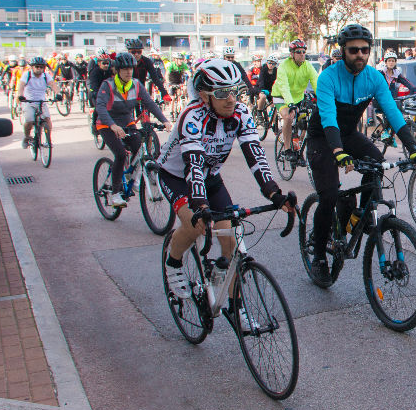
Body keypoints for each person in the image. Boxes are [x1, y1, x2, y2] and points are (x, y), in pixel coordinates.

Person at [156, 59, 292, 319]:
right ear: (205, 96)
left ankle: (235, 307)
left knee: (229, 234)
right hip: (177, 176)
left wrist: (274, 192)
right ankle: (173, 263)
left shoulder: (240, 113)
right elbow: (192, 165)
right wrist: (200, 206)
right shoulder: (191, 116)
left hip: (209, 176)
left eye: (235, 91)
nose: (231, 99)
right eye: (221, 93)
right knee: (196, 224)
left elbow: (255, 156)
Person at [305, 24, 416, 278]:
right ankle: (317, 254)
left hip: (348, 134)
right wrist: (338, 151)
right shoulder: (328, 77)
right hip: (323, 137)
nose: (359, 54)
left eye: (364, 50)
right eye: (353, 50)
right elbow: (328, 119)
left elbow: (392, 112)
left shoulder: (374, 77)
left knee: (377, 163)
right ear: (343, 51)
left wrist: (413, 148)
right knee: (328, 195)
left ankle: (359, 214)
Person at [95, 53, 172, 207]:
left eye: (130, 68)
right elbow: (100, 107)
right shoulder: (108, 85)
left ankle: (133, 177)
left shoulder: (136, 84)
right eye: (124, 69)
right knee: (120, 154)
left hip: (127, 122)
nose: (128, 72)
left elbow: (149, 103)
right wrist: (112, 125)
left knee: (140, 148)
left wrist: (164, 120)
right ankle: (115, 194)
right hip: (106, 124)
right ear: (117, 70)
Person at [273, 40, 318, 156]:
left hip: (298, 98)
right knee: (288, 117)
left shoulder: (308, 66)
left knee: (305, 119)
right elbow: (284, 87)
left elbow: (316, 83)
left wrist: (324, 99)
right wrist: (290, 104)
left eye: (304, 52)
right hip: (281, 96)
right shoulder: (283, 66)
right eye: (298, 52)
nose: (302, 54)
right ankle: (287, 149)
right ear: (291, 54)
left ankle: (299, 148)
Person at [15, 56, 61, 148]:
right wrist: (20, 96)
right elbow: (21, 86)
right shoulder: (27, 75)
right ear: (32, 67)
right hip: (28, 101)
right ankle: (27, 137)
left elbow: (53, 84)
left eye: (41, 67)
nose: (39, 69)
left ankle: (48, 139)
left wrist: (58, 94)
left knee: (47, 119)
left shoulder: (45, 76)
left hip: (41, 102)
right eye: (36, 67)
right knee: (29, 121)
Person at [126, 38, 170, 105]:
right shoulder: (124, 61)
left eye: (139, 52)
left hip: (141, 89)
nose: (136, 54)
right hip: (127, 90)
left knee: (146, 109)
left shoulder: (146, 61)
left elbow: (155, 78)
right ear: (128, 52)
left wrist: (164, 93)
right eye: (133, 52)